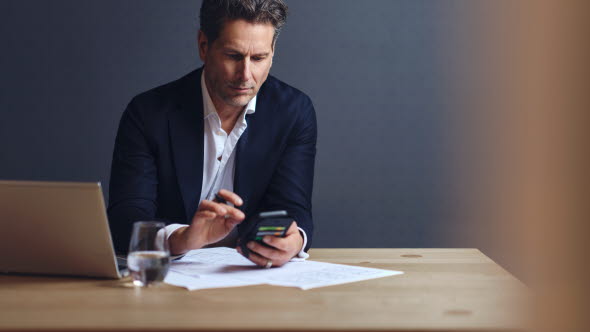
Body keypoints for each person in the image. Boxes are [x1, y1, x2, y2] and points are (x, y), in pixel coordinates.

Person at [107, 0, 316, 268]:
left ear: (273, 51)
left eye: (259, 58)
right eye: (233, 56)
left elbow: (294, 209)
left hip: (252, 276)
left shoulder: (294, 111)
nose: (246, 75)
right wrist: (184, 237)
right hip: (168, 277)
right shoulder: (148, 113)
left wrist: (293, 241)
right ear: (204, 46)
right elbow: (126, 219)